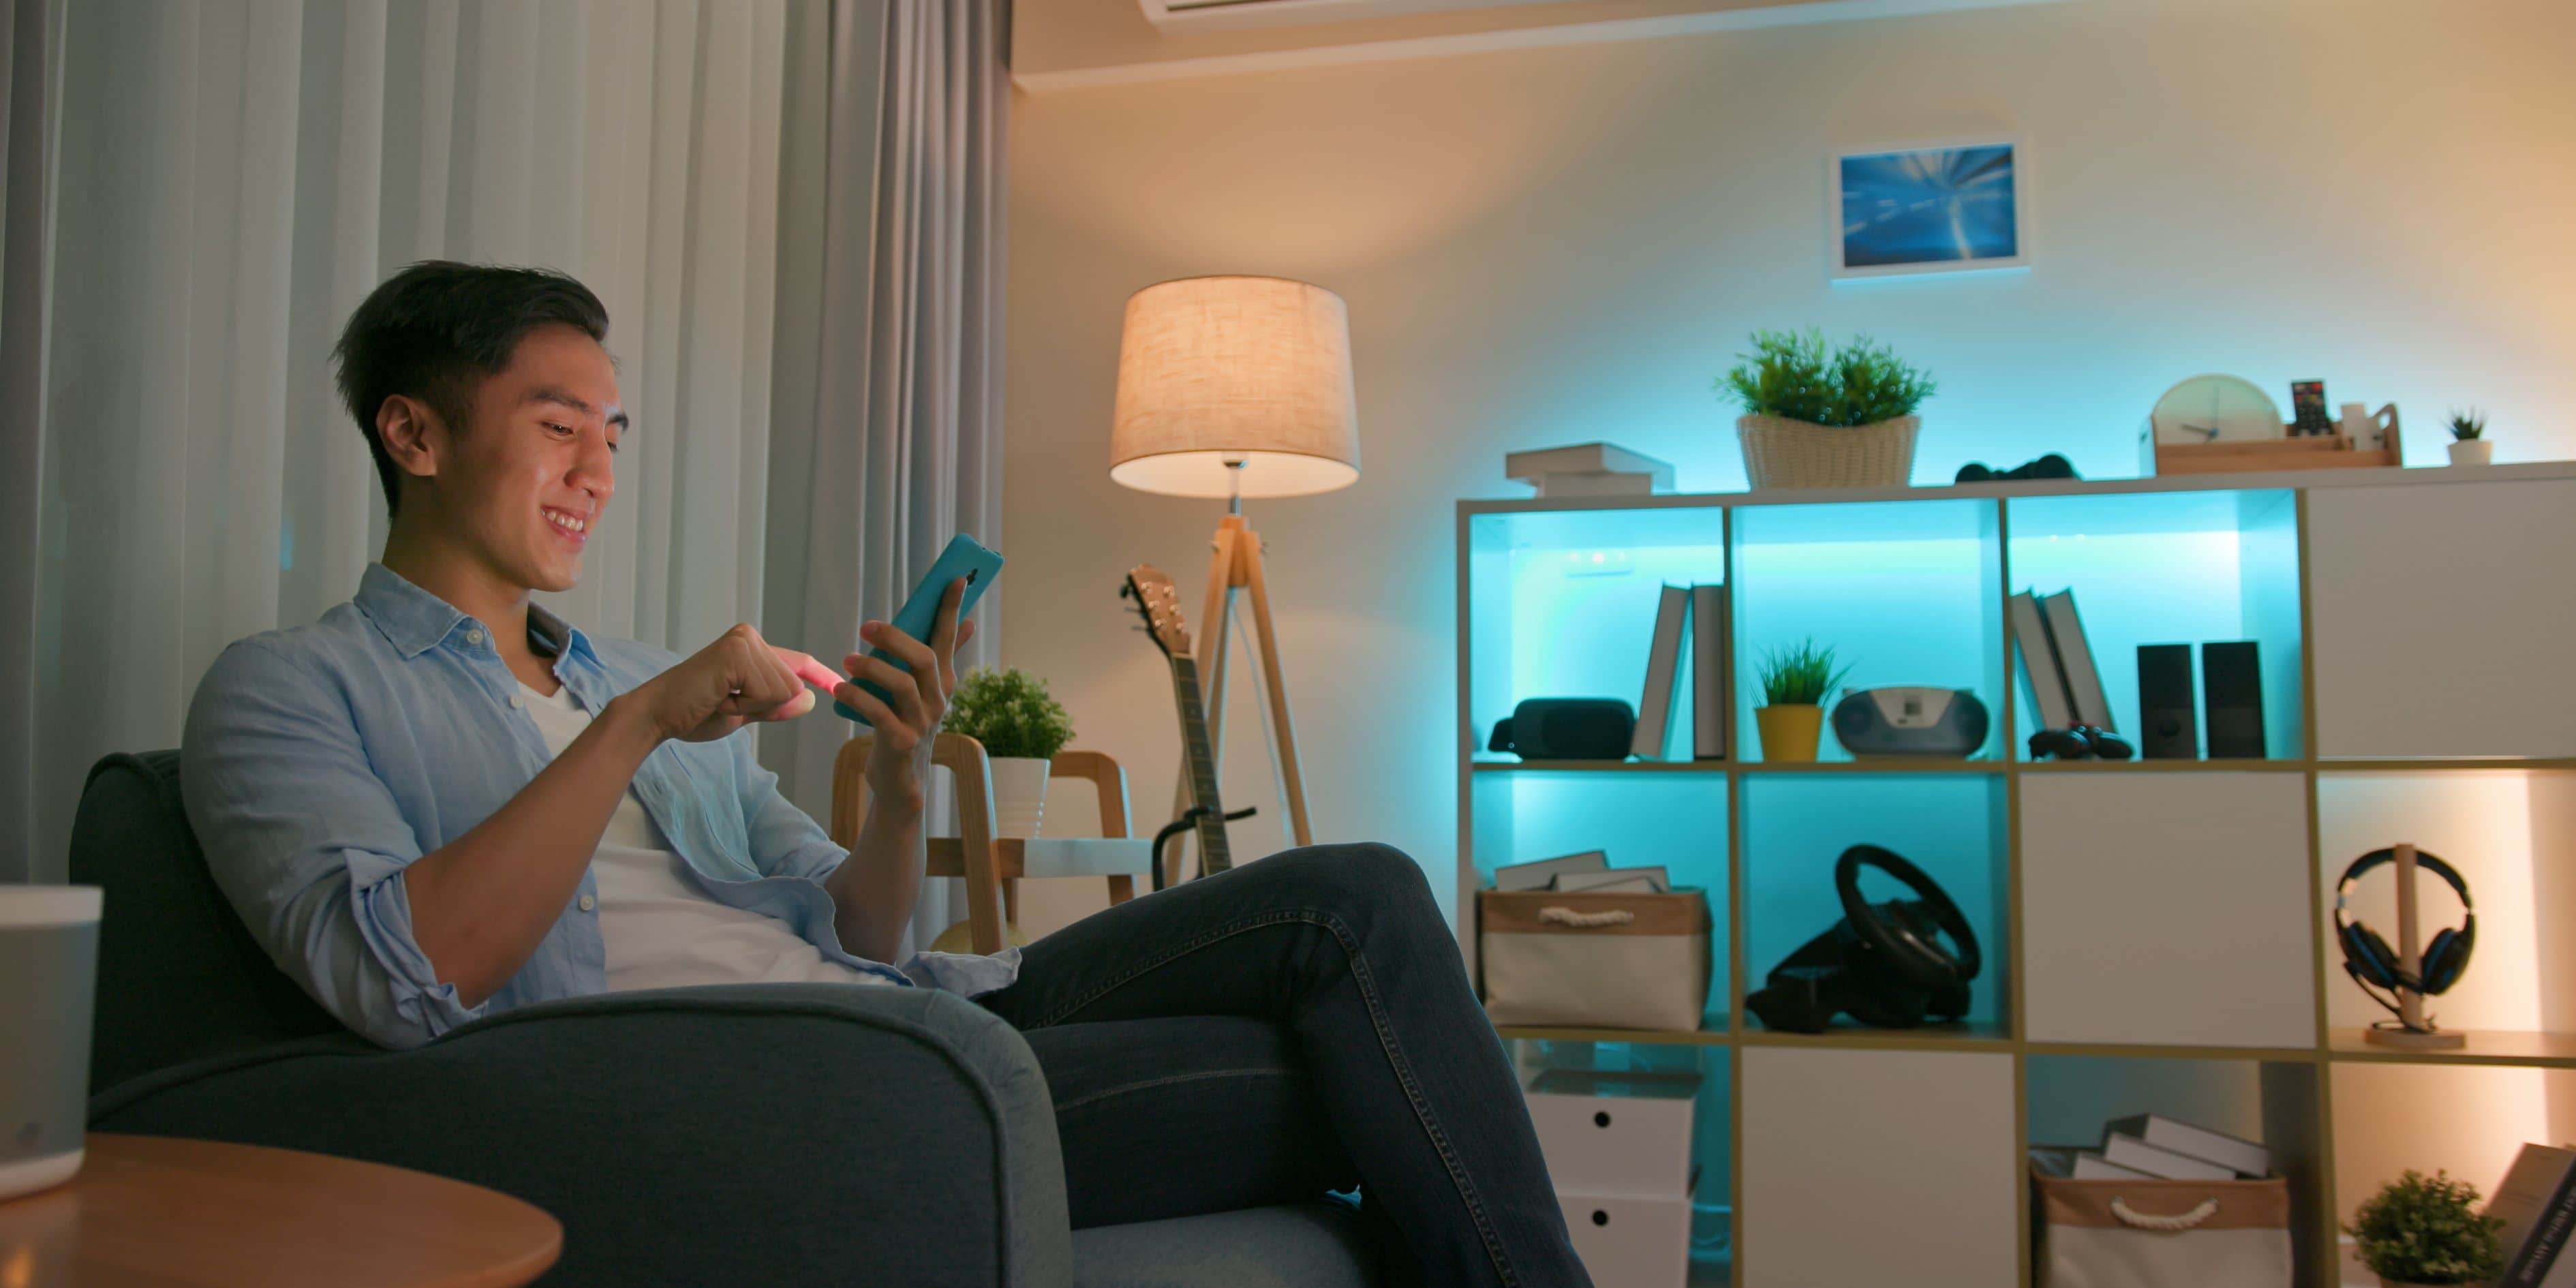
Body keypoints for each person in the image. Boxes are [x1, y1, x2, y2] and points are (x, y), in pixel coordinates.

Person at [182, 260, 1590, 1287]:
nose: (596, 469)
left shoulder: (625, 673)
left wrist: (904, 782)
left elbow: (861, 928)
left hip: (903, 1011)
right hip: (798, 1093)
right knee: (1370, 1078)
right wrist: (638, 727)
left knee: (1357, 898)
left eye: (612, 434)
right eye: (559, 426)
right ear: (414, 435)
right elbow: (400, 975)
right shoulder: (290, 689)